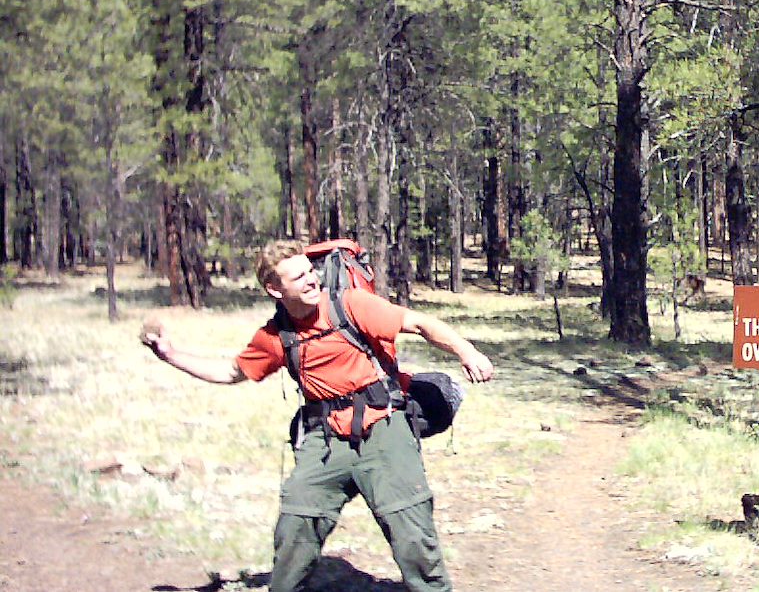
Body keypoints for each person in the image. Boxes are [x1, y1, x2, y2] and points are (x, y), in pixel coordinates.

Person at [141, 239, 494, 592]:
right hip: (326, 440)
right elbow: (230, 372)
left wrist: (466, 351)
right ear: (274, 288)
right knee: (295, 527)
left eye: (311, 271)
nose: (312, 280)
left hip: (384, 426)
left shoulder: (350, 305)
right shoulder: (276, 336)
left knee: (412, 533)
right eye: (299, 277)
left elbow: (418, 323)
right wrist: (170, 355)